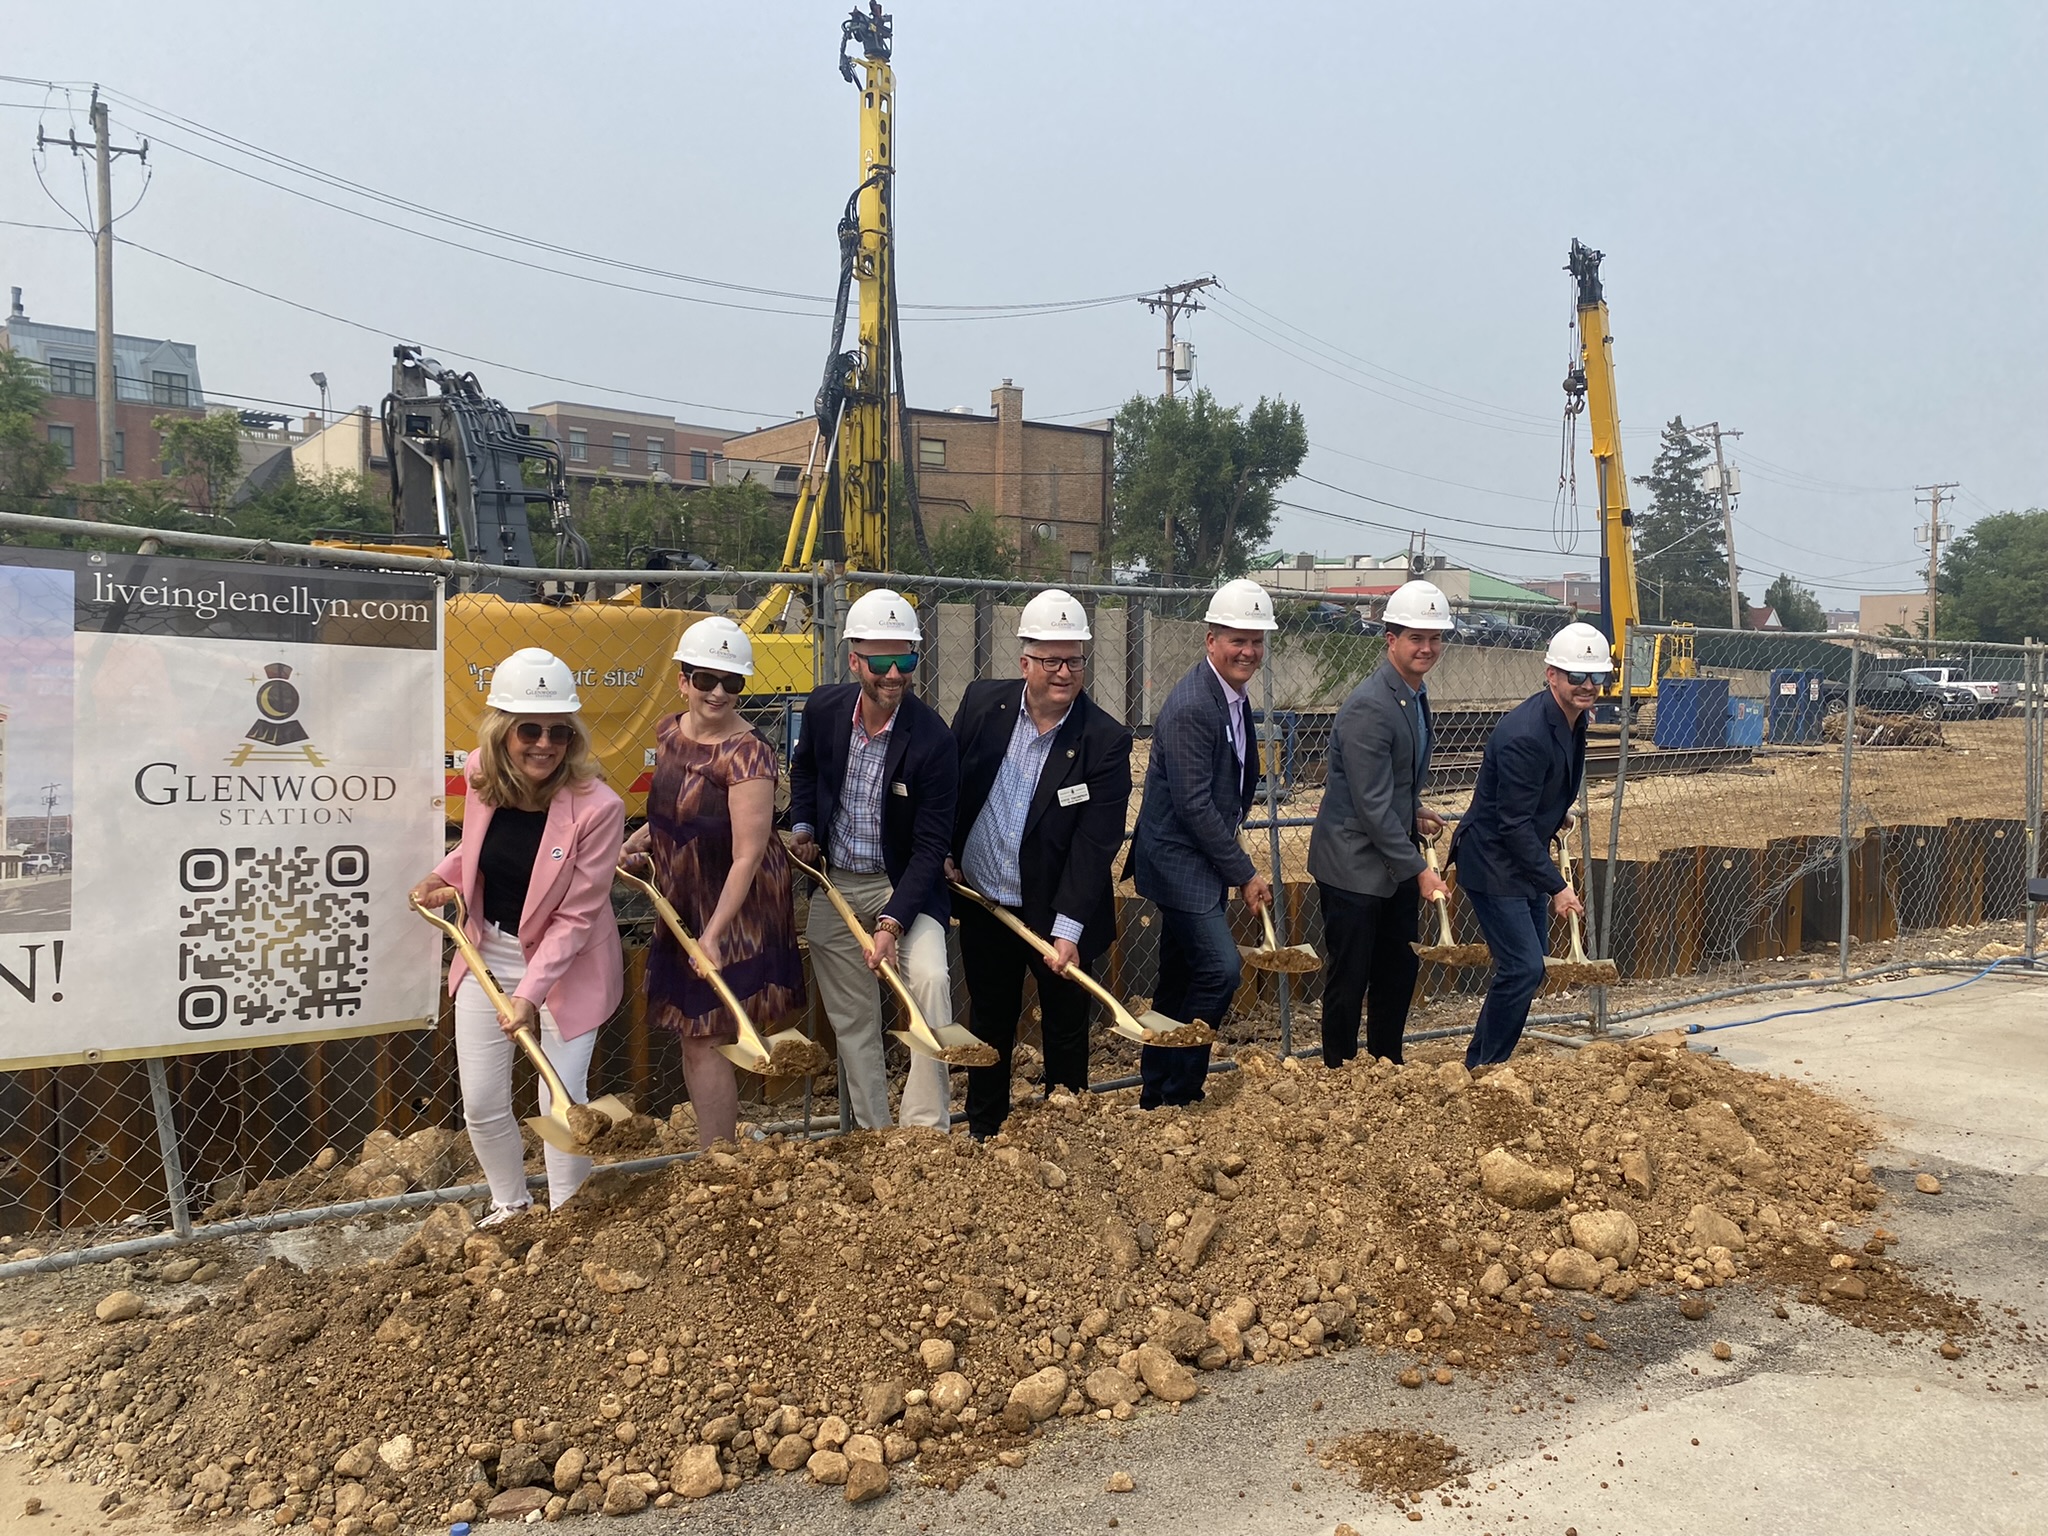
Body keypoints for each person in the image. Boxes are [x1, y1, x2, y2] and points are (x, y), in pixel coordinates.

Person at [409, 647, 624, 1224]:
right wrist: (443, 874)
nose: (544, 744)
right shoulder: (482, 771)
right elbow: (479, 853)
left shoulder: (598, 809)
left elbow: (578, 915)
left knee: (559, 1099)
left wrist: (530, 993)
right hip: (487, 953)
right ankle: (511, 1204)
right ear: (504, 730)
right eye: (529, 728)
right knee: (480, 1101)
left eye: (559, 731)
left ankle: (568, 1217)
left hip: (567, 969)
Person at [948, 590, 1133, 1137]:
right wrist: (946, 852)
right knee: (990, 1020)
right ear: (1024, 661)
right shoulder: (984, 704)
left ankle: (1066, 1130)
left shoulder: (1103, 740)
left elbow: (1096, 842)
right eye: (1050, 660)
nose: (1064, 672)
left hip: (1057, 913)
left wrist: (1068, 929)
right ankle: (985, 1131)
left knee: (1066, 1025)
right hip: (986, 902)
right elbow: (953, 785)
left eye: (1074, 659)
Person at [622, 617, 804, 1148]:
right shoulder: (669, 732)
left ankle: (717, 1157)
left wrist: (714, 936)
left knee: (705, 1034)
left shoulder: (749, 754)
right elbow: (672, 812)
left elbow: (748, 854)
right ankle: (717, 1152)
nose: (718, 692)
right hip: (685, 897)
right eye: (706, 679)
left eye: (733, 682)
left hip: (735, 907)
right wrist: (643, 841)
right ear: (684, 681)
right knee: (695, 1034)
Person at [788, 589, 958, 1130]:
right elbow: (806, 770)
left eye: (905, 659)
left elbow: (932, 847)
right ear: (854, 659)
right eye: (880, 661)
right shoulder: (824, 709)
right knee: (854, 1019)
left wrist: (891, 922)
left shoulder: (933, 739)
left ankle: (925, 1129)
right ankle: (876, 1132)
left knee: (930, 981)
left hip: (902, 883)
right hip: (836, 882)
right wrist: (804, 826)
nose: (894, 674)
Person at [1128, 577, 1276, 1108]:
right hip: (1178, 858)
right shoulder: (1195, 705)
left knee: (1180, 976)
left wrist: (1232, 866)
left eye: (1257, 641)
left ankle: (1157, 1091)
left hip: (1202, 856)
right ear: (1210, 639)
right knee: (1220, 969)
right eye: (1238, 639)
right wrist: (1243, 872)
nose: (1249, 651)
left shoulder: (1231, 697)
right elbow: (1193, 806)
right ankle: (1180, 1087)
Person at [1306, 579, 1454, 1067]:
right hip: (1353, 865)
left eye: (1434, 638)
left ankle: (1386, 1065)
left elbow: (1386, 788)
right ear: (1391, 639)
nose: (1427, 647)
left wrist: (1411, 811)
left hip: (1390, 861)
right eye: (1416, 637)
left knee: (1397, 969)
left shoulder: (1412, 694)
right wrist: (1418, 869)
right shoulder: (1371, 705)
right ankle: (1341, 1071)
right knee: (1350, 977)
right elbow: (1369, 806)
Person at [1449, 621, 1608, 1069]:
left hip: (1522, 857)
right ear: (1551, 674)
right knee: (1524, 968)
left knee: (1527, 966)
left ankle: (1485, 1059)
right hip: (1495, 861)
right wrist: (1558, 886)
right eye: (1577, 675)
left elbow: (1531, 805)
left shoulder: (1571, 720)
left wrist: (1555, 814)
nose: (1588, 685)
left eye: (1596, 676)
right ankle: (1483, 1066)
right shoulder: (1526, 734)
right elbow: (1512, 825)